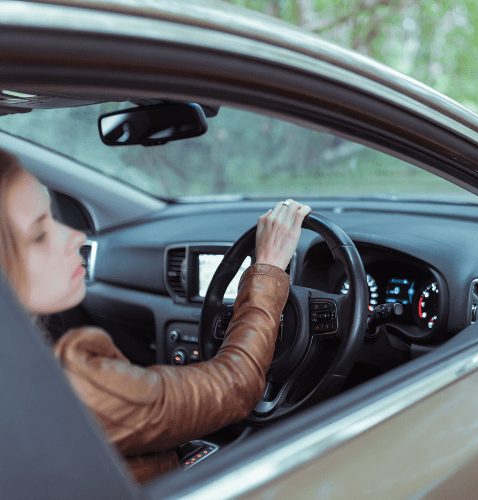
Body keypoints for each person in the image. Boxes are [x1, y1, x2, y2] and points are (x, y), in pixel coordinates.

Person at [0, 147, 311, 482]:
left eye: (54, 216)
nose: (76, 237)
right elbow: (236, 386)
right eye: (39, 235)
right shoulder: (74, 385)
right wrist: (268, 269)